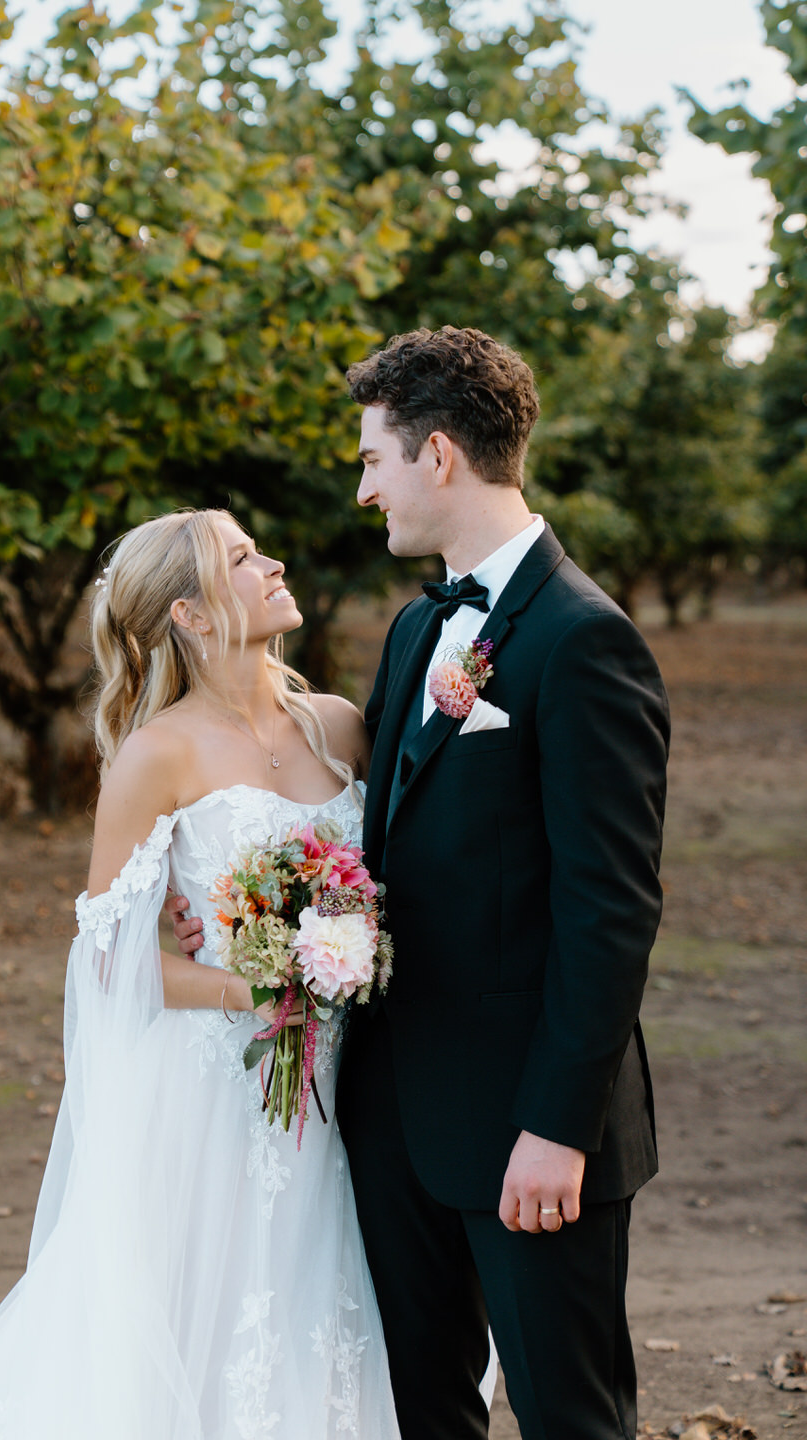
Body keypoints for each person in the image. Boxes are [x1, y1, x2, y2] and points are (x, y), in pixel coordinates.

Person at [174, 327, 670, 1440]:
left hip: (530, 1128)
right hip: (393, 1114)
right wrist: (240, 909)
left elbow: (611, 911)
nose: (364, 491)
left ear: (437, 455)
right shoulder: (414, 631)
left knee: (569, 1417)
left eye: (372, 460)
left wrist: (556, 1127)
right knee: (420, 1415)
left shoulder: (585, 641)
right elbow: (384, 847)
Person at [0, 508, 403, 1438]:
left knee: (314, 1305)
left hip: (340, 1087)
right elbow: (106, 959)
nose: (273, 562)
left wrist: (350, 951)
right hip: (207, 1101)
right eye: (242, 558)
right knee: (199, 1318)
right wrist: (261, 989)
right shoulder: (159, 754)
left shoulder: (340, 728)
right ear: (190, 615)